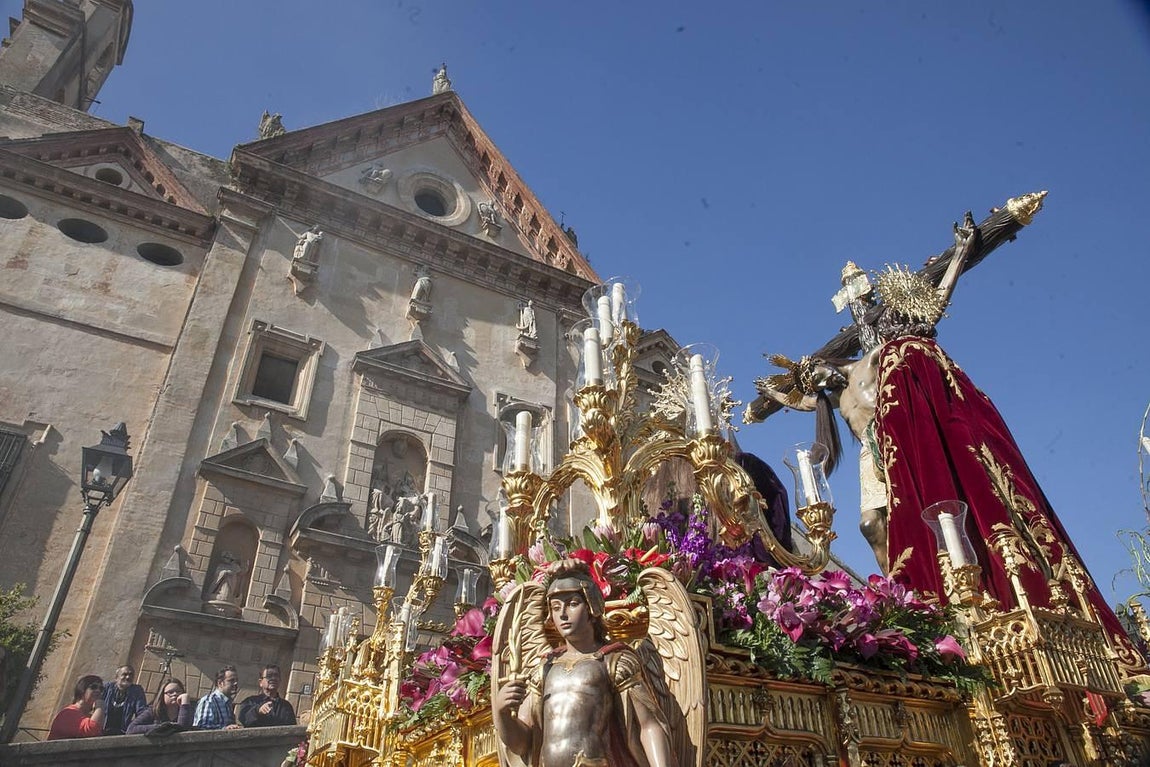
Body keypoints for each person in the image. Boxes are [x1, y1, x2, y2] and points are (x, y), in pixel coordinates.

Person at [494, 560, 676, 767]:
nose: (563, 614)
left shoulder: (614, 661)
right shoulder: (544, 668)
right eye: (555, 607)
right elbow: (523, 744)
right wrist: (502, 713)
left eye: (572, 604)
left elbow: (648, 725)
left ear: (592, 607)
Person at [126, 678, 196, 735]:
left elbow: (183, 728)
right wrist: (161, 727)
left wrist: (185, 703)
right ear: (162, 695)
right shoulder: (152, 711)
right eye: (170, 692)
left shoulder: (187, 710)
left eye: (178, 691)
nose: (175, 694)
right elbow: (131, 729)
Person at [47, 675, 106, 740]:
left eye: (101, 689)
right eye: (93, 687)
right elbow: (92, 731)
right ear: (82, 690)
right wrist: (100, 707)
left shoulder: (89, 717)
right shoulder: (68, 713)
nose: (98, 691)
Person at [101, 664, 148, 735]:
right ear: (116, 677)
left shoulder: (136, 691)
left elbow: (141, 712)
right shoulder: (107, 688)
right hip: (102, 730)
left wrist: (134, 727)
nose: (128, 677)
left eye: (131, 675)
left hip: (122, 732)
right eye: (124, 674)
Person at [193, 665, 242, 730]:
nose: (235, 683)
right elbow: (202, 727)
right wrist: (225, 729)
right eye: (231, 680)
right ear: (220, 683)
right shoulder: (209, 701)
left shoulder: (227, 703)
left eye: (236, 680)